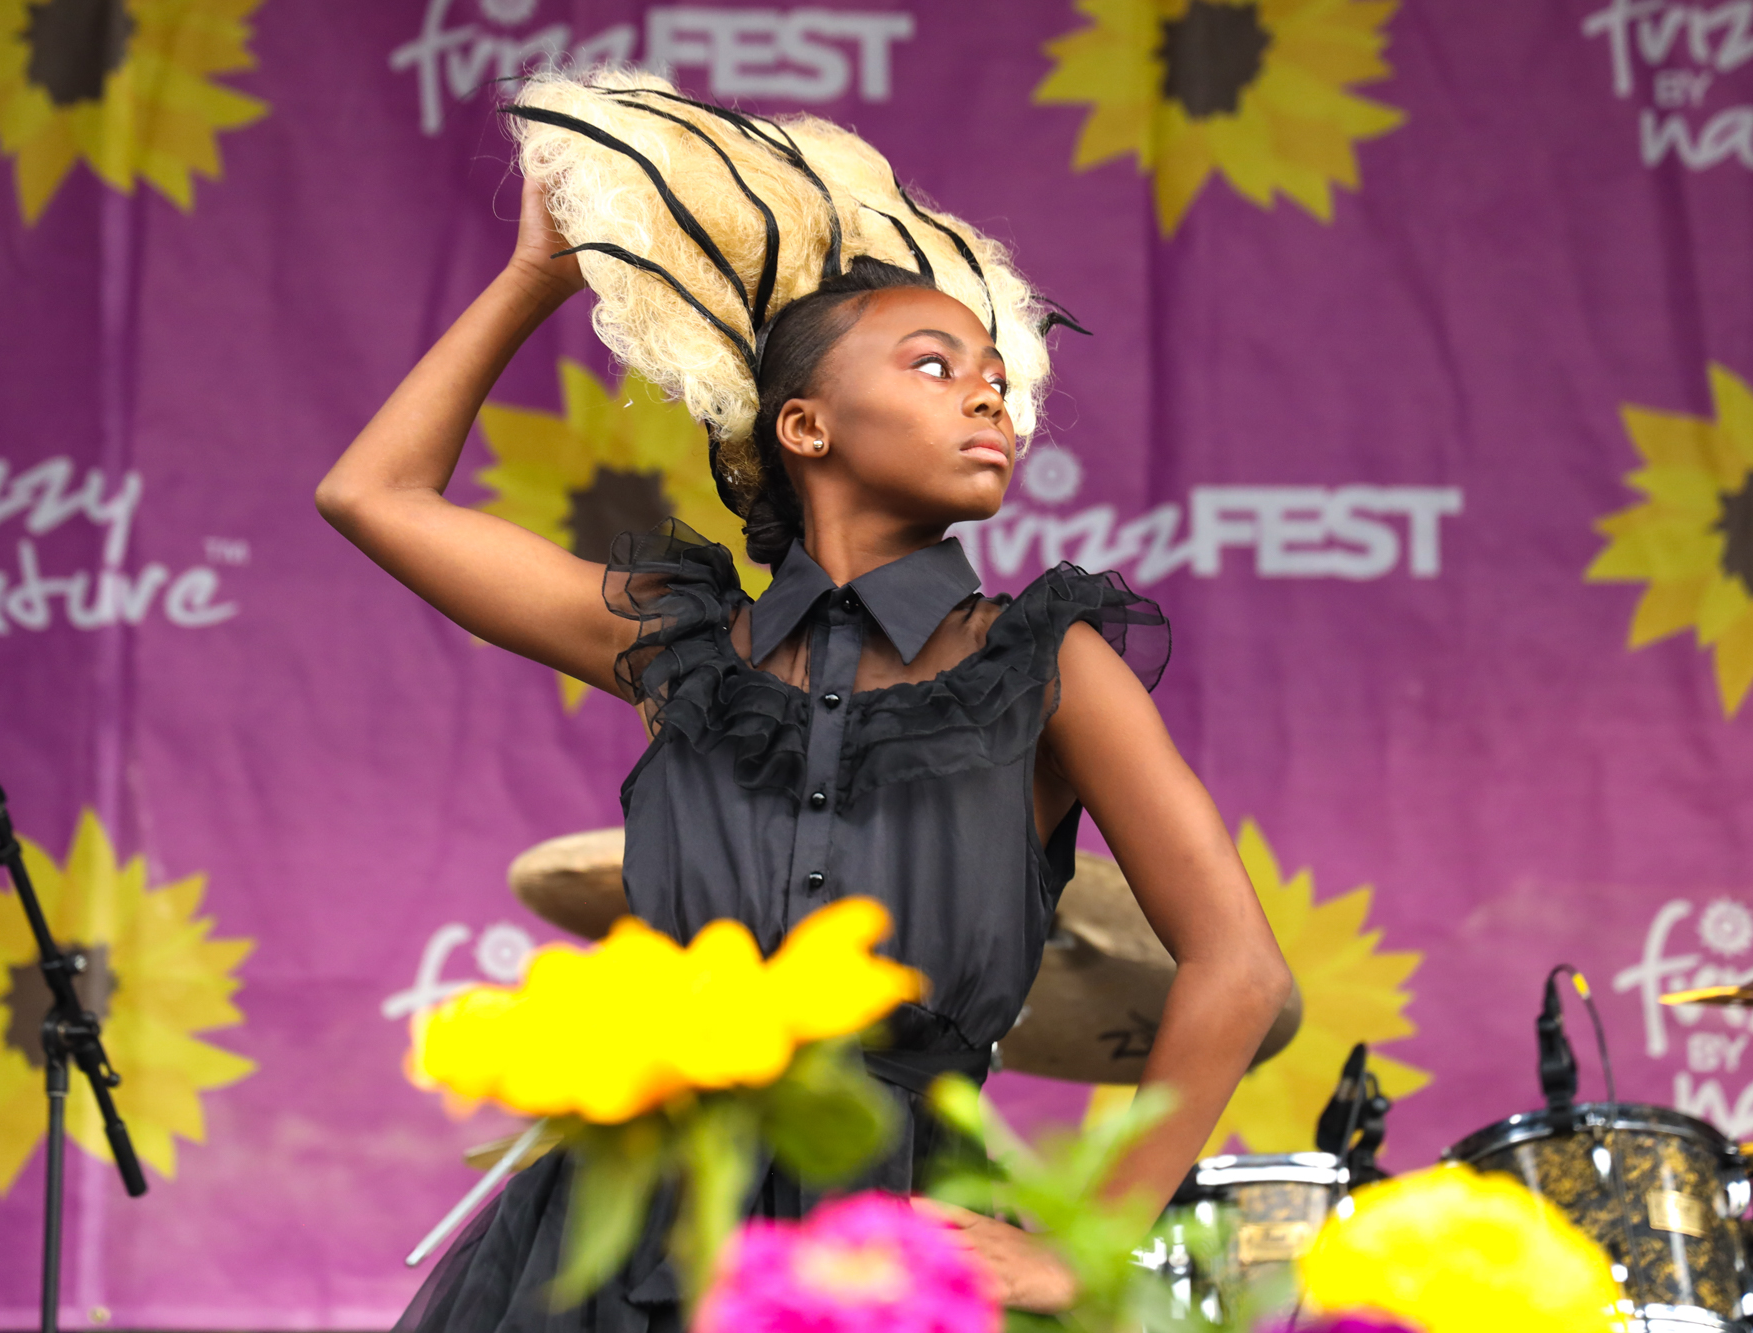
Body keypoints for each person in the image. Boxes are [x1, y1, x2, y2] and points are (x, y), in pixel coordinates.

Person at [317, 70, 1291, 1332]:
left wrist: (1088, 1239)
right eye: (934, 364)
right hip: (633, 1232)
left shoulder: (1044, 664)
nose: (989, 395)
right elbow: (373, 495)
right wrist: (539, 277)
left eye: (994, 377)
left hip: (905, 1234)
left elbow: (1237, 965)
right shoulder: (681, 646)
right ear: (806, 428)